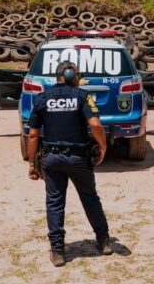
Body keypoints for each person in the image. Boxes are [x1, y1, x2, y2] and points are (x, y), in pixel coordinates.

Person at [27, 61, 111, 267]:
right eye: (78, 74)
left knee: (55, 203)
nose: (79, 78)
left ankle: (57, 251)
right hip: (78, 158)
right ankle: (104, 241)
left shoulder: (42, 98)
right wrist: (103, 147)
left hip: (52, 159)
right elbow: (95, 125)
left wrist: (32, 163)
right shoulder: (82, 96)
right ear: (70, 74)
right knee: (90, 198)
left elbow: (33, 135)